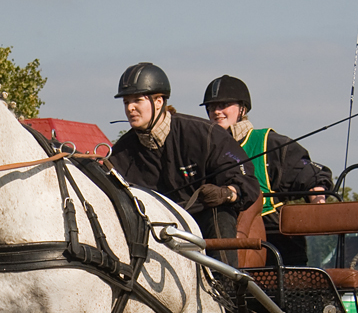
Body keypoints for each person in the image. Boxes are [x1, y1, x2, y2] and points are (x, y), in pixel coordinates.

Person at [109, 62, 259, 266]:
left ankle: (226, 289)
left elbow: (247, 181)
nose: (130, 108)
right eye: (126, 102)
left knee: (219, 212)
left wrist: (227, 193)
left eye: (137, 100)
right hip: (155, 231)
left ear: (159, 101)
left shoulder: (205, 134)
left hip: (203, 221)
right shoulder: (121, 153)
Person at [202, 75, 332, 266]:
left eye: (224, 105)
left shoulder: (268, 143)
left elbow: (312, 177)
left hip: (274, 242)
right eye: (212, 107)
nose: (217, 111)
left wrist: (319, 205)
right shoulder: (203, 148)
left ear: (242, 109)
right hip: (218, 237)